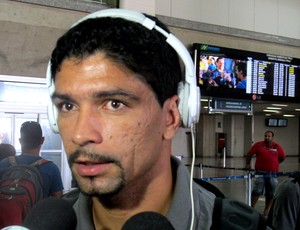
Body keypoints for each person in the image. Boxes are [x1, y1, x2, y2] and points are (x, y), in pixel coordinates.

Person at [48, 8, 217, 230]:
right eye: (68, 106)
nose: (80, 135)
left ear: (171, 117)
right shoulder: (51, 224)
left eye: (114, 104)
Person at [0, 121, 64, 198]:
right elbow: (58, 202)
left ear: (20, 141)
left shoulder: (4, 164)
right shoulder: (51, 169)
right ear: (42, 140)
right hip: (39, 210)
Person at [245, 131, 286, 217]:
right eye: (265, 136)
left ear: (272, 137)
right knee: (257, 191)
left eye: (269, 136)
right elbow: (250, 153)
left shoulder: (276, 146)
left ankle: (266, 210)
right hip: (260, 173)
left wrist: (275, 163)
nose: (267, 137)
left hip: (272, 174)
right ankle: (251, 208)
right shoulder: (258, 145)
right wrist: (247, 164)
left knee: (270, 193)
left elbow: (282, 157)